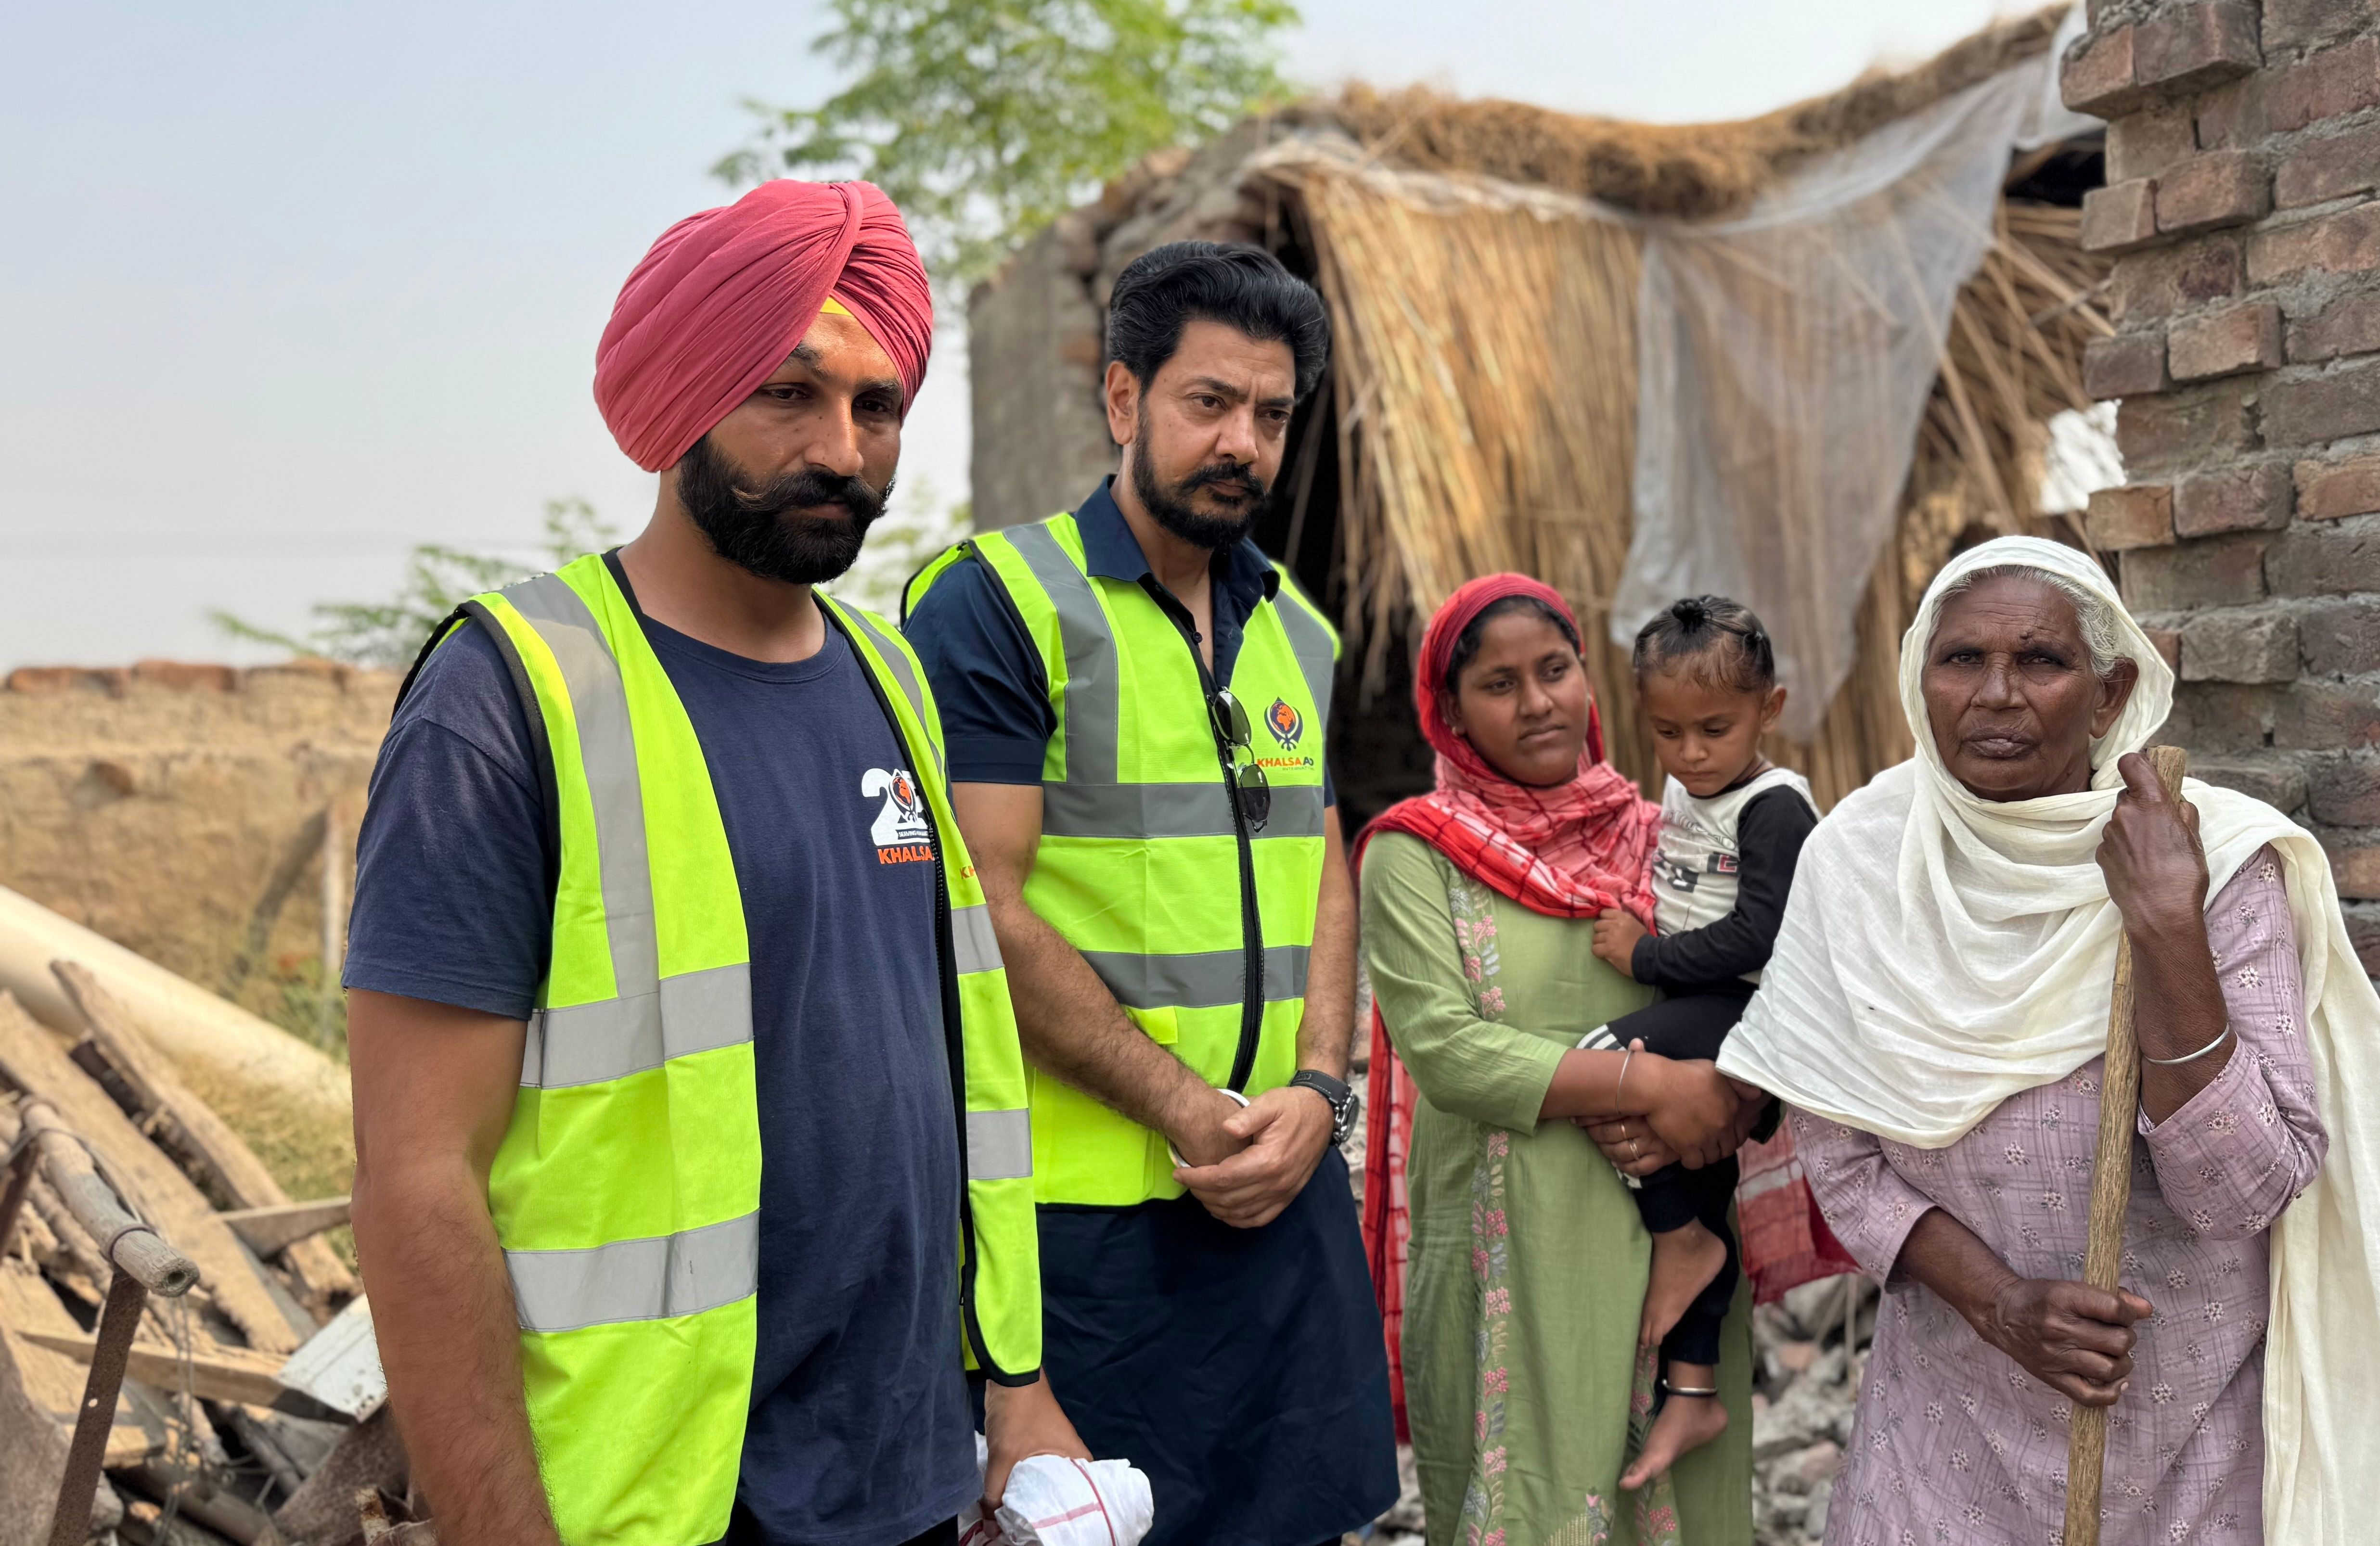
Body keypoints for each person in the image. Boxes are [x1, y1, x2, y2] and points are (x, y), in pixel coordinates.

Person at [346, 179, 1083, 1546]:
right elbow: (413, 1174)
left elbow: (961, 1070)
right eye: (789, 394)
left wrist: (1019, 1387)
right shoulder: (509, 698)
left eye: (879, 409)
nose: (842, 448)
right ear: (683, 395)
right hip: (654, 1496)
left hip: (913, 1473)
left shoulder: (890, 678)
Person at [1712, 536, 2380, 1544]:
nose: (1996, 693)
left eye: (2040, 660)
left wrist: (2167, 928)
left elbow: (2246, 1189)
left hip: (2185, 1442)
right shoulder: (1861, 862)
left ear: (2109, 690)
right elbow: (1843, 1159)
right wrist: (2000, 1305)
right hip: (1943, 1422)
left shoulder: (2208, 860)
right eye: (1962, 660)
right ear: (1922, 679)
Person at [901, 241, 1395, 1546]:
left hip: (1277, 1188)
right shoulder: (997, 605)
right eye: (1208, 402)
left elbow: (1322, 859)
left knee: (1301, 1518)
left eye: (1272, 414)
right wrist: (1193, 1106)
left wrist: (1321, 1088)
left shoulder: (1300, 628)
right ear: (1124, 401)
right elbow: (976, 905)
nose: (1242, 441)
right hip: (1084, 1231)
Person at [1357, 574, 1764, 1546]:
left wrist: (1737, 1094)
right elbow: (1453, 1053)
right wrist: (1652, 1082)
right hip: (1512, 1255)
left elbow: (1768, 999)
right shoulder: (1415, 855)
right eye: (1500, 684)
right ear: (1450, 712)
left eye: (1554, 669)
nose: (1538, 701)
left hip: (1684, 1244)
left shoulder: (1673, 835)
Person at [1578, 594, 1819, 1487]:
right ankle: (1694, 1390)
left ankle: (1676, 1233)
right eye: (1668, 733)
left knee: (1596, 1062)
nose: (1690, 753)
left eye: (1715, 729)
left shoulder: (1775, 806)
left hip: (1743, 1007)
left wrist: (1646, 953)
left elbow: (1760, 933)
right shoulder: (1687, 789)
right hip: (1702, 999)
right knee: (1700, 1174)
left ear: (1772, 708)